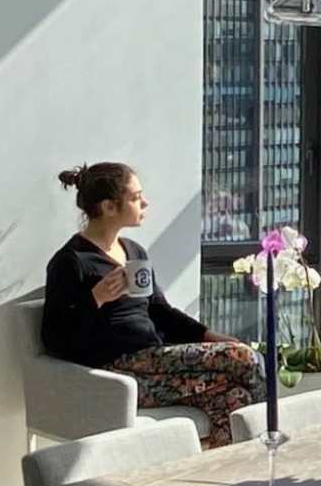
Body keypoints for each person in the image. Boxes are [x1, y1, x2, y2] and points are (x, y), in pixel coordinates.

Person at [41, 162, 261, 445]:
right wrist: (95, 299)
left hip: (156, 360)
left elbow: (161, 312)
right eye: (135, 198)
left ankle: (228, 479)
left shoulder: (133, 251)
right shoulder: (71, 262)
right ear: (109, 207)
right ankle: (271, 448)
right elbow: (54, 338)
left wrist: (209, 336)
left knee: (234, 397)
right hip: (119, 373)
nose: (144, 203)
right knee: (245, 358)